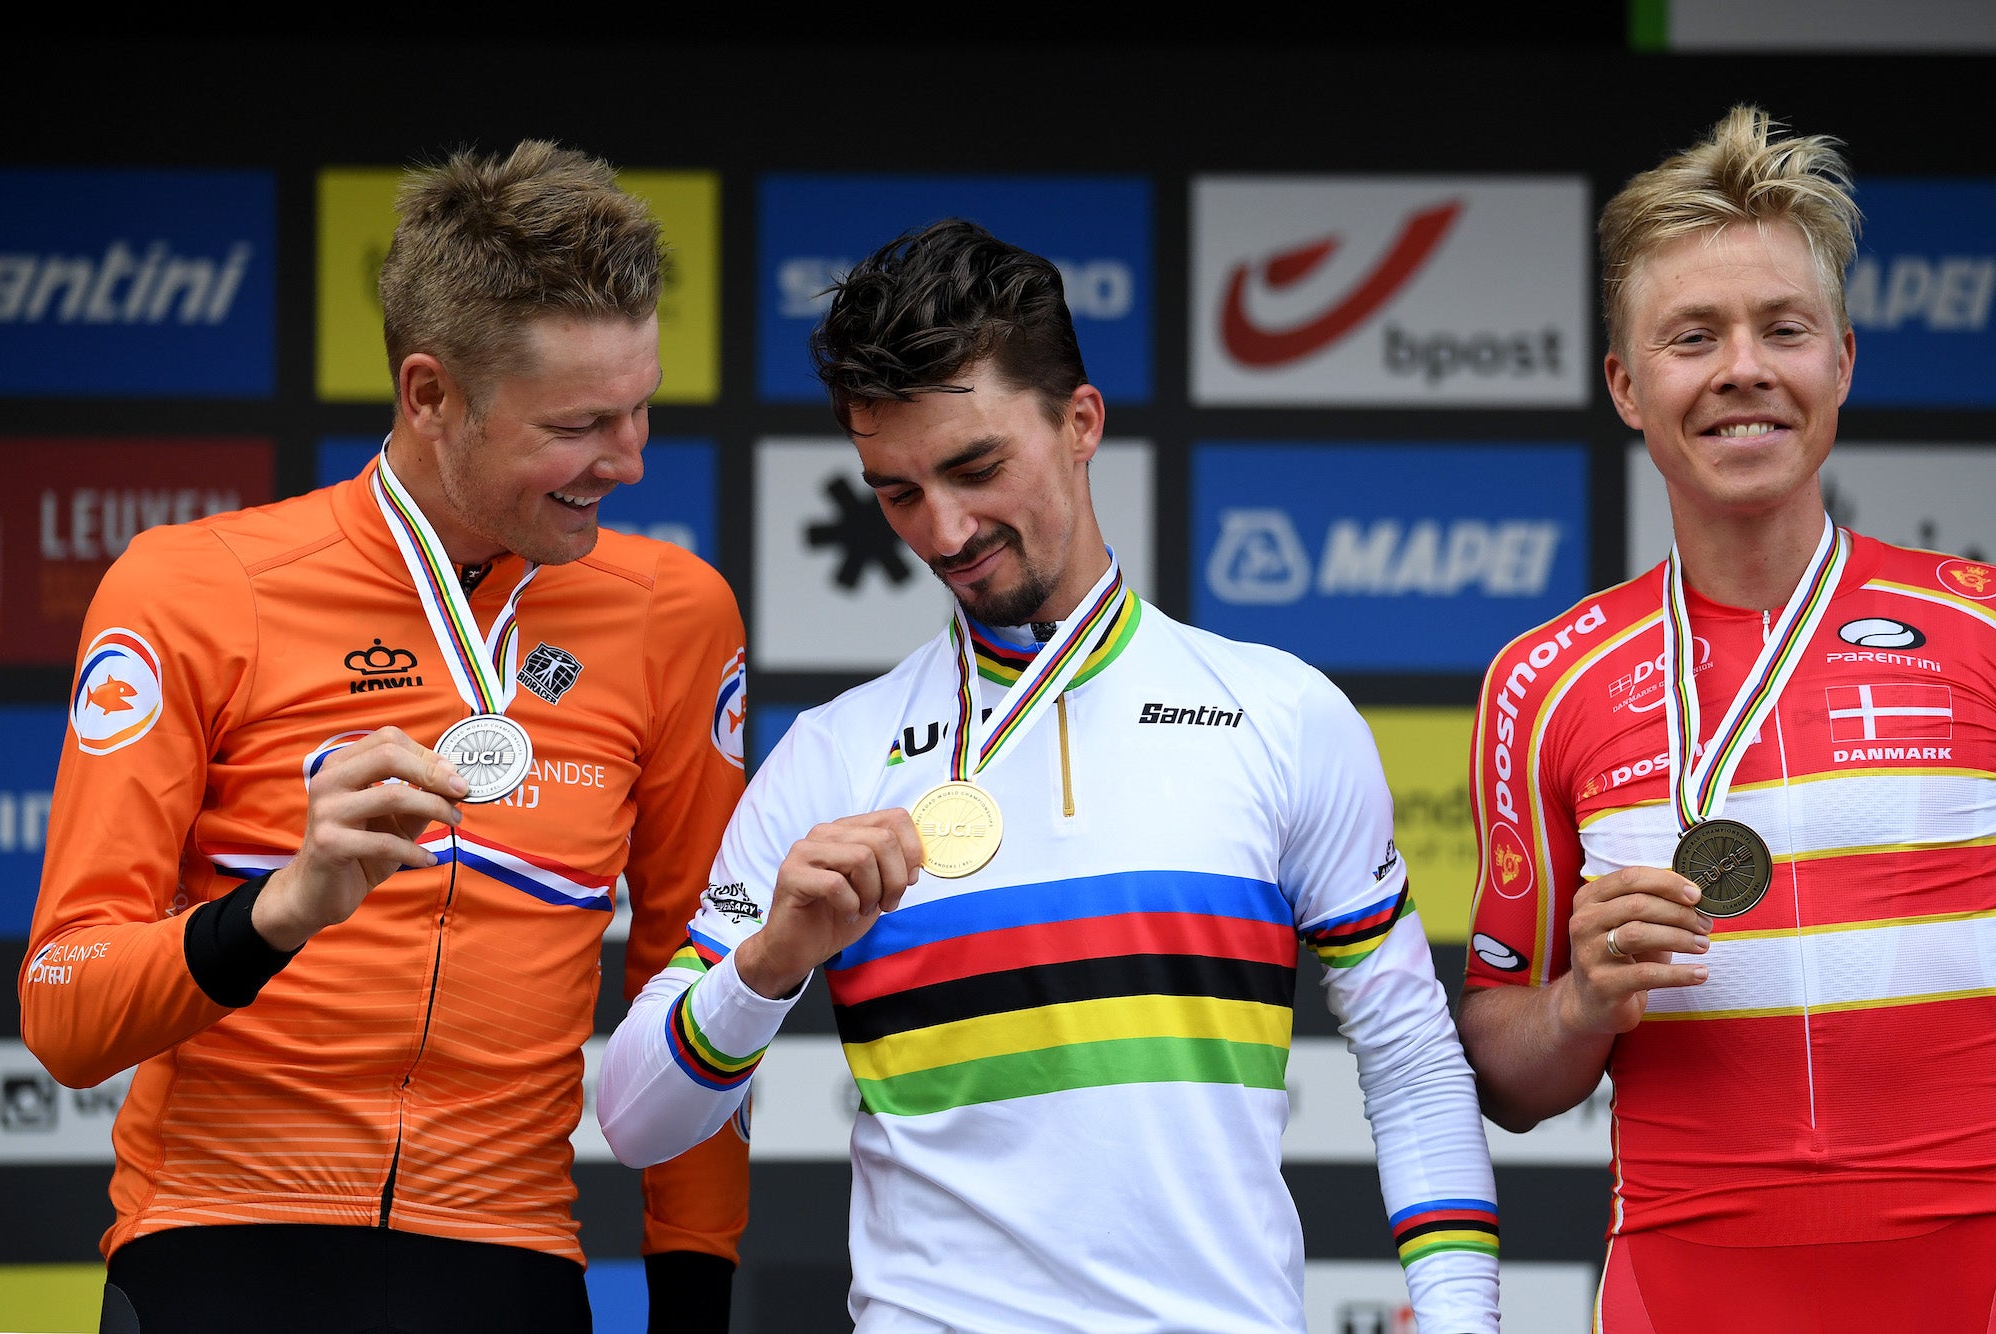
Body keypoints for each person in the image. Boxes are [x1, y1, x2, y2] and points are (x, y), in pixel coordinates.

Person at [599, 217, 1500, 1332]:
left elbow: (1408, 1055)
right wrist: (767, 960)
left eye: (976, 467)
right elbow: (635, 1120)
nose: (944, 528)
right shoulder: (833, 753)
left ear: (1080, 422)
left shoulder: (1278, 712)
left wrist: (1460, 1314)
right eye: (895, 491)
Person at [21, 141, 749, 1334]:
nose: (629, 458)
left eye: (641, 405)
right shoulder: (195, 586)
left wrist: (693, 1304)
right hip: (218, 1240)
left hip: (511, 1252)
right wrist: (284, 905)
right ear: (429, 395)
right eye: (579, 423)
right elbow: (63, 1008)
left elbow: (692, 984)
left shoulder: (676, 612)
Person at [1458, 105, 1996, 1330]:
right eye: (1691, 336)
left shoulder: (1979, 628)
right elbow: (1501, 1068)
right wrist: (1581, 1001)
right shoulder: (1544, 681)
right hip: (1688, 1284)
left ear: (1842, 362)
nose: (1741, 368)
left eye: (1782, 328)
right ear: (1624, 385)